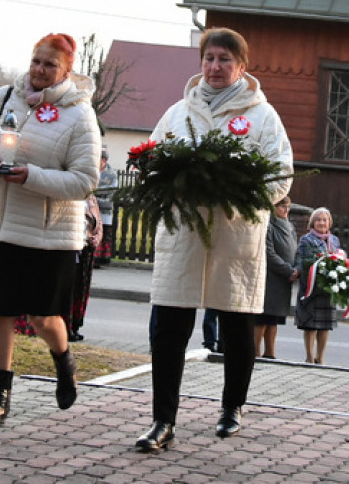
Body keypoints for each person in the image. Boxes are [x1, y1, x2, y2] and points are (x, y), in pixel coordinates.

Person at [135, 27, 293, 452]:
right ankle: (162, 420)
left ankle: (232, 408)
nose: (216, 67)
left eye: (225, 59)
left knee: (238, 327)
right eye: (209, 59)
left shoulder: (262, 116)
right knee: (168, 329)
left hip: (233, 234)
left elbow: (281, 173)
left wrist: (243, 196)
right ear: (200, 63)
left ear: (242, 66)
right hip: (183, 233)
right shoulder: (176, 113)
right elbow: (151, 157)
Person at [0, 33, 101, 429]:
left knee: (44, 318)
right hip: (2, 225)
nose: (40, 71)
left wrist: (32, 177)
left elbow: (84, 180)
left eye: (50, 65)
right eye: (36, 61)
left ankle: (63, 360)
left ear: (66, 70)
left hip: (49, 232)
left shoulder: (79, 113)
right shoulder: (5, 96)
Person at [293, 207, 342, 365]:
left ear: (329, 222)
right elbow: (303, 260)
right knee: (310, 325)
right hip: (312, 288)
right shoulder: (306, 240)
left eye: (325, 219)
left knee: (324, 326)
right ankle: (309, 356)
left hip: (328, 290)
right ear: (312, 222)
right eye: (318, 219)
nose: (322, 222)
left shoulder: (334, 240)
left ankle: (320, 358)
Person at [254, 195, 299, 359]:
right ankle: (256, 351)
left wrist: (297, 269)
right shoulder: (268, 225)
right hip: (271, 279)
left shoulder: (290, 227)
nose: (286, 210)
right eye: (282, 206)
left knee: (274, 319)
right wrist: (288, 270)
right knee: (262, 318)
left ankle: (270, 352)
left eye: (288, 207)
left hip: (284, 281)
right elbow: (269, 253)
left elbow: (296, 249)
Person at [69, 195, 103, 340]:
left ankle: (75, 325)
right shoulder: (72, 196)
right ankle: (66, 327)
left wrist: (97, 238)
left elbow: (99, 222)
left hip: (86, 252)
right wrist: (84, 236)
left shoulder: (92, 199)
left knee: (81, 290)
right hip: (72, 249)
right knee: (69, 291)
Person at [93, 150, 118, 267]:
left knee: (104, 235)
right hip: (92, 210)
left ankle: (102, 259)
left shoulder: (111, 175)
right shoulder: (92, 171)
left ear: (104, 160)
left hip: (105, 210)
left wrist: (95, 196)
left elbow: (111, 192)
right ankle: (93, 259)